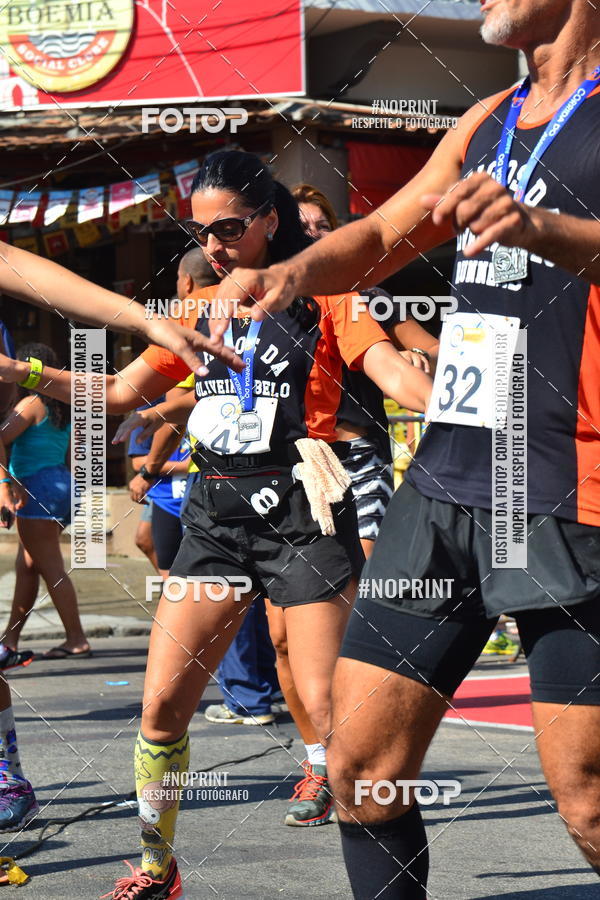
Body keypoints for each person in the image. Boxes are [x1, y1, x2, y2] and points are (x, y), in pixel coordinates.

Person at [208, 5, 600, 894]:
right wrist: (290, 272)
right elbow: (385, 236)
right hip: (453, 470)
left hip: (566, 482)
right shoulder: (489, 118)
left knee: (588, 800)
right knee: (362, 770)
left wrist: (542, 229)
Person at [0, 149, 432, 897]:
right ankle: (157, 869)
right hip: (214, 521)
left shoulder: (331, 295)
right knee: (161, 706)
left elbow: (389, 368)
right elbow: (118, 394)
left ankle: (388, 864)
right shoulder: (197, 311)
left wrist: (458, 398)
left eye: (230, 228)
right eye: (200, 232)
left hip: (303, 517)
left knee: (336, 717)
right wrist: (28, 374)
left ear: (271, 220)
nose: (213, 246)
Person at [0, 342, 91, 660]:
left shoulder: (30, 404)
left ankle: (76, 639)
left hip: (36, 487)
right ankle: (9, 641)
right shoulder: (60, 403)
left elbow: (3, 436)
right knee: (27, 566)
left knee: (51, 567)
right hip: (62, 485)